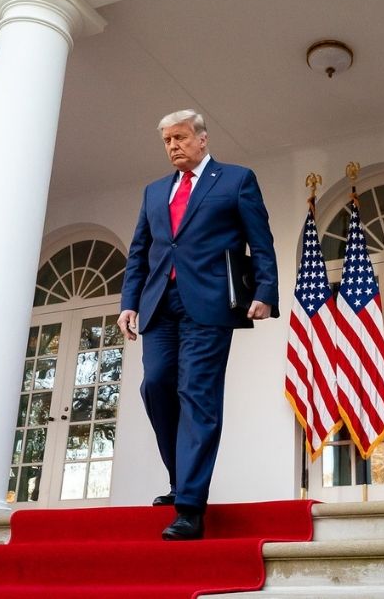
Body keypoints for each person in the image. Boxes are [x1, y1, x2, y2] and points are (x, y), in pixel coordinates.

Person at [117, 109, 279, 540]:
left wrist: (265, 291)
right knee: (156, 385)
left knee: (197, 394)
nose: (174, 146)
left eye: (181, 137)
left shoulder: (236, 180)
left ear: (202, 139)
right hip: (158, 305)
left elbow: (260, 240)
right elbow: (140, 252)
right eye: (167, 140)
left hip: (208, 304)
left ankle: (189, 505)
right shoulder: (154, 192)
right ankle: (181, 477)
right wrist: (128, 302)